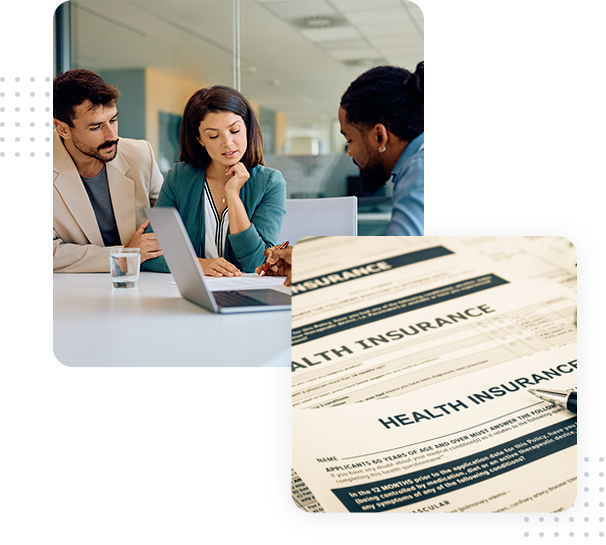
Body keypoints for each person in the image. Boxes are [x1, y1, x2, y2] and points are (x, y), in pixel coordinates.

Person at [142, 85, 287, 275]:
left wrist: (233, 195)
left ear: (247, 128)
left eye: (234, 131)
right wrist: (197, 264)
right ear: (199, 138)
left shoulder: (270, 183)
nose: (228, 143)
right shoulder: (179, 178)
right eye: (213, 135)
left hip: (245, 292)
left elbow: (257, 262)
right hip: (190, 291)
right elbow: (148, 255)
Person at [53, 69, 163, 272]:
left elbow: (170, 222)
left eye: (113, 120)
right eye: (96, 127)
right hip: (72, 293)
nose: (112, 136)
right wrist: (125, 254)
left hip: (143, 284)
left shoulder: (140, 155)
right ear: (63, 129)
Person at [338, 63, 425, 236]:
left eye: (350, 140)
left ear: (379, 136)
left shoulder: (419, 169)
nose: (349, 152)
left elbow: (401, 256)